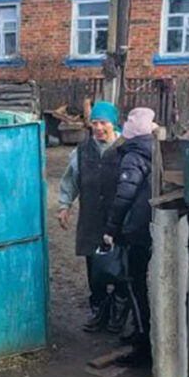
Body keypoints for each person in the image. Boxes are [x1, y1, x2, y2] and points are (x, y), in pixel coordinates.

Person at [56, 101, 123, 332]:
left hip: (118, 220)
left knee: (120, 267)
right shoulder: (82, 151)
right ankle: (99, 311)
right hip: (91, 218)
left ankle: (119, 313)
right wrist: (64, 206)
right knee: (94, 268)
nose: (98, 128)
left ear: (113, 123)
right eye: (94, 123)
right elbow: (70, 180)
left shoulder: (125, 147)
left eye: (103, 122)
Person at [103, 107, 158, 368]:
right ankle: (148, 339)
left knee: (137, 287)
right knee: (150, 287)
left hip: (136, 232)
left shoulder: (134, 156)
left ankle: (143, 344)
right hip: (153, 229)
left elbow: (124, 196)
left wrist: (111, 230)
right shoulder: (156, 150)